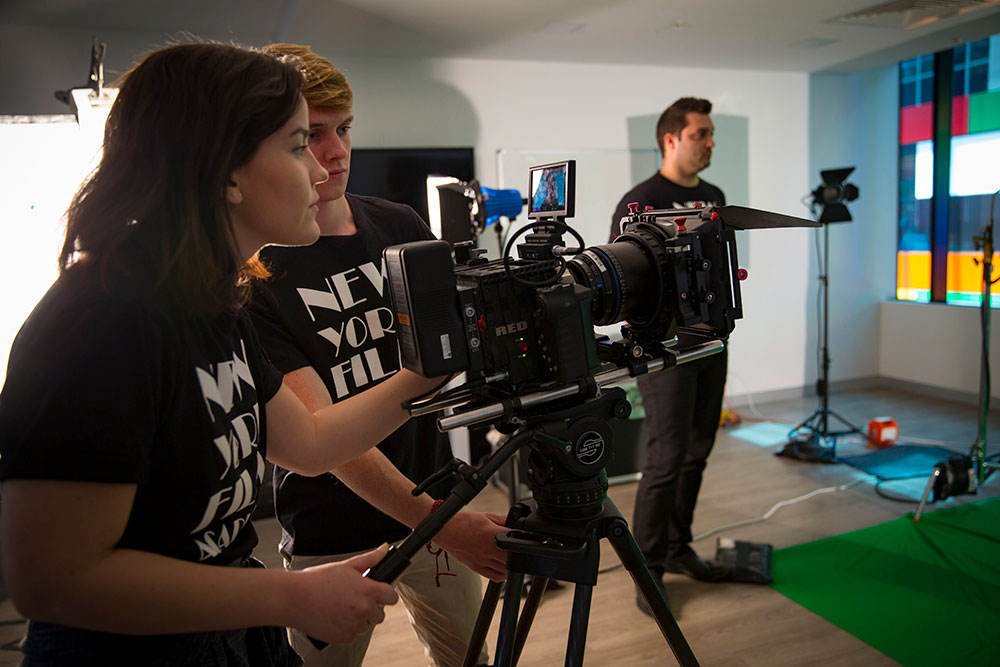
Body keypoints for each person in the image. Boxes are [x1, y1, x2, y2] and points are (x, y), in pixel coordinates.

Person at [0, 42, 447, 666]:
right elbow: (55, 581)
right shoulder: (99, 324)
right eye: (298, 146)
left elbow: (311, 443)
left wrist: (437, 365)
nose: (322, 171)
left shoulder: (213, 301)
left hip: (232, 642)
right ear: (226, 173)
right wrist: (289, 596)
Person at [246, 43, 506, 667]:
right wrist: (443, 521)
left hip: (434, 493)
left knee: (468, 656)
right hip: (332, 533)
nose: (334, 153)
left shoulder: (400, 225)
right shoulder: (255, 270)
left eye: (344, 130)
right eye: (310, 136)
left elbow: (453, 358)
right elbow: (321, 442)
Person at [609, 97, 732, 616]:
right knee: (665, 457)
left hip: (712, 340)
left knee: (698, 448)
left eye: (709, 134)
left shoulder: (715, 197)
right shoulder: (638, 202)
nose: (709, 143)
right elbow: (623, 282)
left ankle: (678, 550)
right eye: (700, 133)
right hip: (666, 349)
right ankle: (649, 569)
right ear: (671, 139)